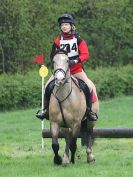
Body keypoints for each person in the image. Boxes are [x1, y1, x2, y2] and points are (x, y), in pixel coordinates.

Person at [36, 13, 99, 121]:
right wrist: (58, 63)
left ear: (71, 26)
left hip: (76, 70)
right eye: (62, 25)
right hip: (61, 71)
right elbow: (52, 55)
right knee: (47, 86)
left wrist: (75, 60)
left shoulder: (78, 39)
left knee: (89, 86)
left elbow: (85, 54)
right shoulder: (58, 40)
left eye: (66, 24)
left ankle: (89, 111)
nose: (64, 27)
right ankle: (45, 110)